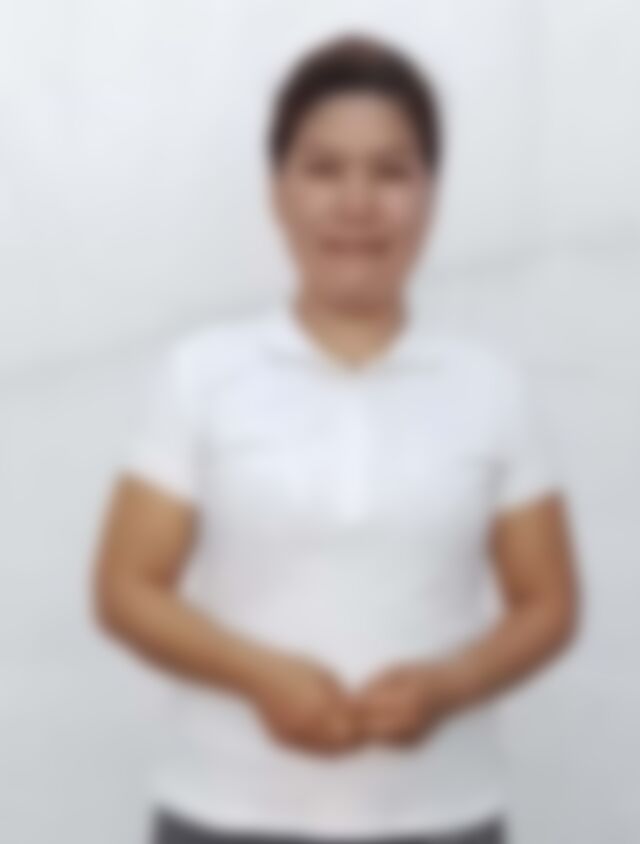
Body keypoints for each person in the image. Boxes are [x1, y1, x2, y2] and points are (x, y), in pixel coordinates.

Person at [91, 31, 579, 844]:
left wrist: (448, 686)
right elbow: (127, 586)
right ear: (278, 192)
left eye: (391, 172)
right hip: (224, 815)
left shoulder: (492, 387)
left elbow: (548, 602)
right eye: (324, 169)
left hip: (443, 818)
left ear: (430, 194)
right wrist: (260, 676)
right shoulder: (200, 374)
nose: (357, 203)